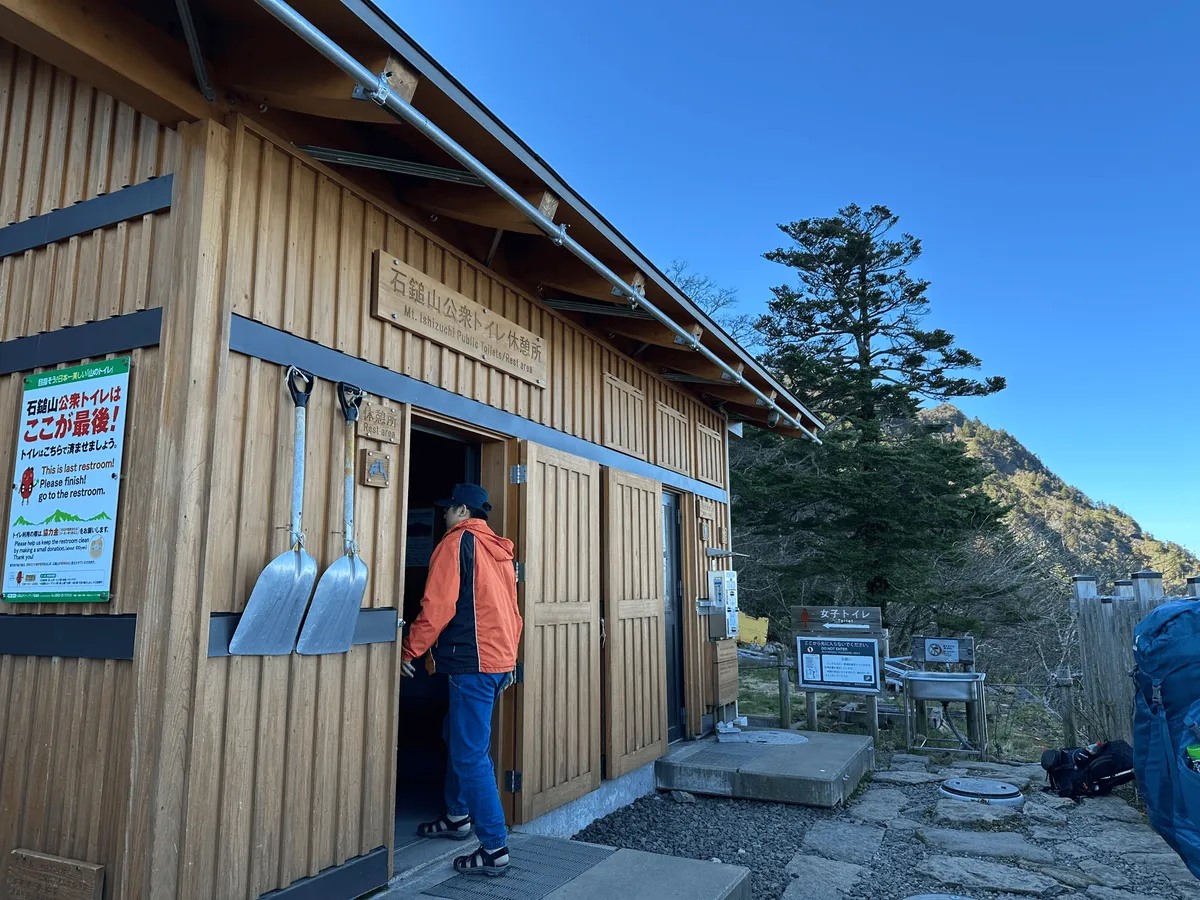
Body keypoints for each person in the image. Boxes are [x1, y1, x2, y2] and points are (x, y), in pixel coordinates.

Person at [401, 483, 522, 877]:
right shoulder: (498, 550)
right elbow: (512, 612)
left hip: (474, 664)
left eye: (446, 509)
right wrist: (509, 662)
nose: (442, 516)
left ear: (460, 510)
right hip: (497, 661)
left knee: (470, 753)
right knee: (455, 734)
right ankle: (457, 816)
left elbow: (436, 607)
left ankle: (493, 849)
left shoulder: (457, 543)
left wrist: (409, 651)